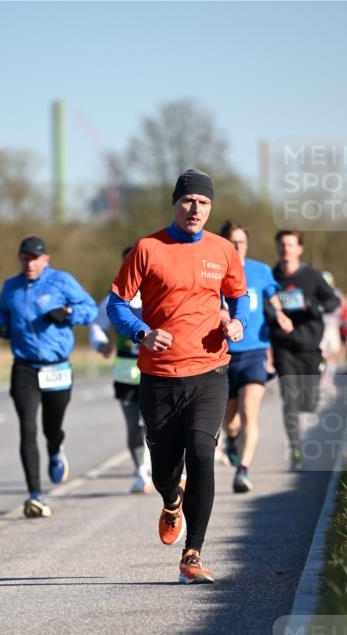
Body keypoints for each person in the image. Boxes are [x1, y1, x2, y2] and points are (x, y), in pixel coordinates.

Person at [107, 169, 248, 584]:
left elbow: (240, 296)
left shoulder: (223, 250)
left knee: (202, 454)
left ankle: (193, 553)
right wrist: (142, 333)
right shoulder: (149, 249)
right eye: (189, 201)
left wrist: (237, 323)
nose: (196, 209)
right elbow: (116, 305)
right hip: (159, 377)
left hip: (210, 370)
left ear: (211, 207)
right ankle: (172, 501)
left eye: (204, 203)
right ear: (176, 202)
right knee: (165, 470)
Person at [0, 236, 98, 518]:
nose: (30, 263)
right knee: (27, 428)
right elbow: (2, 313)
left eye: (35, 258)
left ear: (46, 260)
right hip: (25, 367)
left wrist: (67, 313)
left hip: (57, 367)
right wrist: (1, 327)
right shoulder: (10, 287)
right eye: (25, 257)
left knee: (51, 427)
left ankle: (55, 448)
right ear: (20, 259)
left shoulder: (62, 281)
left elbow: (91, 310)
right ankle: (35, 495)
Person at [218, 221, 293, 493]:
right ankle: (232, 438)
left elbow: (273, 299)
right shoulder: (214, 271)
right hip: (223, 354)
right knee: (231, 421)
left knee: (250, 411)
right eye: (232, 242)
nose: (238, 247)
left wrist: (281, 315)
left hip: (255, 351)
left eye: (242, 242)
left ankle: (243, 470)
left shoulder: (260, 271)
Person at [269, 230, 340, 470]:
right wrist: (274, 314)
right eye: (281, 245)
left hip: (310, 346)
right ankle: (296, 448)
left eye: (290, 245)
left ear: (299, 249)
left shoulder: (312, 276)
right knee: (289, 399)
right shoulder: (271, 277)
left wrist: (313, 306)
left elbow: (333, 301)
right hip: (283, 346)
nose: (285, 249)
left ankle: (317, 375)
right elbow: (263, 306)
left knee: (308, 403)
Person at [89, 247, 152, 495]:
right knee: (134, 426)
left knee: (158, 425)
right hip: (126, 372)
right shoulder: (115, 297)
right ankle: (140, 474)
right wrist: (101, 344)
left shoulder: (159, 292)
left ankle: (170, 470)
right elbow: (96, 325)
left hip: (156, 369)